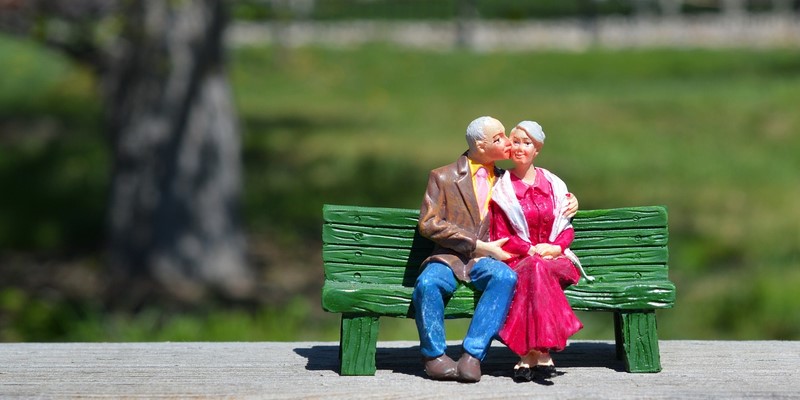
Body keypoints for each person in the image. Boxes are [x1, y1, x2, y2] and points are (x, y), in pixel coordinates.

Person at [413, 116, 578, 383]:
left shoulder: (506, 180)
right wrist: (476, 245)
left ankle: (473, 355)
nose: (508, 144)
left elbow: (540, 193)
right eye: (499, 138)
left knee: (505, 278)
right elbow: (429, 223)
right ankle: (434, 356)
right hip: (450, 256)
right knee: (428, 283)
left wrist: (571, 200)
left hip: (488, 260)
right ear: (480, 145)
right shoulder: (443, 177)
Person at [489, 120, 591, 383]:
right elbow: (501, 236)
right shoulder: (502, 190)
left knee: (537, 268)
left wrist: (556, 247)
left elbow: (566, 228)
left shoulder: (554, 185)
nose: (521, 148)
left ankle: (525, 355)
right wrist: (530, 249)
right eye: (516, 142)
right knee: (533, 268)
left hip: (556, 261)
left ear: (537, 149)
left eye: (527, 143)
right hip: (520, 260)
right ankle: (541, 352)